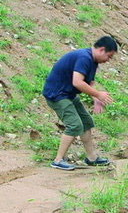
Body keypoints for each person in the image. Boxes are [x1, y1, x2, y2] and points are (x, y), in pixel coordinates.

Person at [42, 36, 117, 170]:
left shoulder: (93, 61)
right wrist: (98, 94)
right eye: (109, 56)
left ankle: (92, 158)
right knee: (75, 125)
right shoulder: (84, 57)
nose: (108, 60)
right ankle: (58, 160)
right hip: (57, 95)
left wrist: (96, 99)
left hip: (68, 94)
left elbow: (89, 81)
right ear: (102, 50)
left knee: (86, 122)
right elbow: (77, 82)